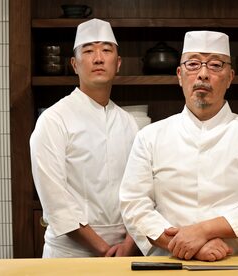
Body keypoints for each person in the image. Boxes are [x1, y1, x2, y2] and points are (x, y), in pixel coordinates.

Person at [119, 30, 238, 262]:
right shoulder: (150, 136)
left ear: (230, 77)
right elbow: (135, 206)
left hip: (233, 261)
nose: (203, 74)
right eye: (193, 64)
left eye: (216, 65)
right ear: (179, 74)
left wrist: (202, 231)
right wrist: (188, 246)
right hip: (168, 262)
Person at [30, 18, 139, 258]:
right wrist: (104, 249)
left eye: (106, 50)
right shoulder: (54, 119)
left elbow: (142, 189)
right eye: (88, 51)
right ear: (74, 64)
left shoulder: (129, 123)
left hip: (125, 250)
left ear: (118, 63)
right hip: (70, 253)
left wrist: (128, 245)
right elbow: (55, 201)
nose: (98, 58)